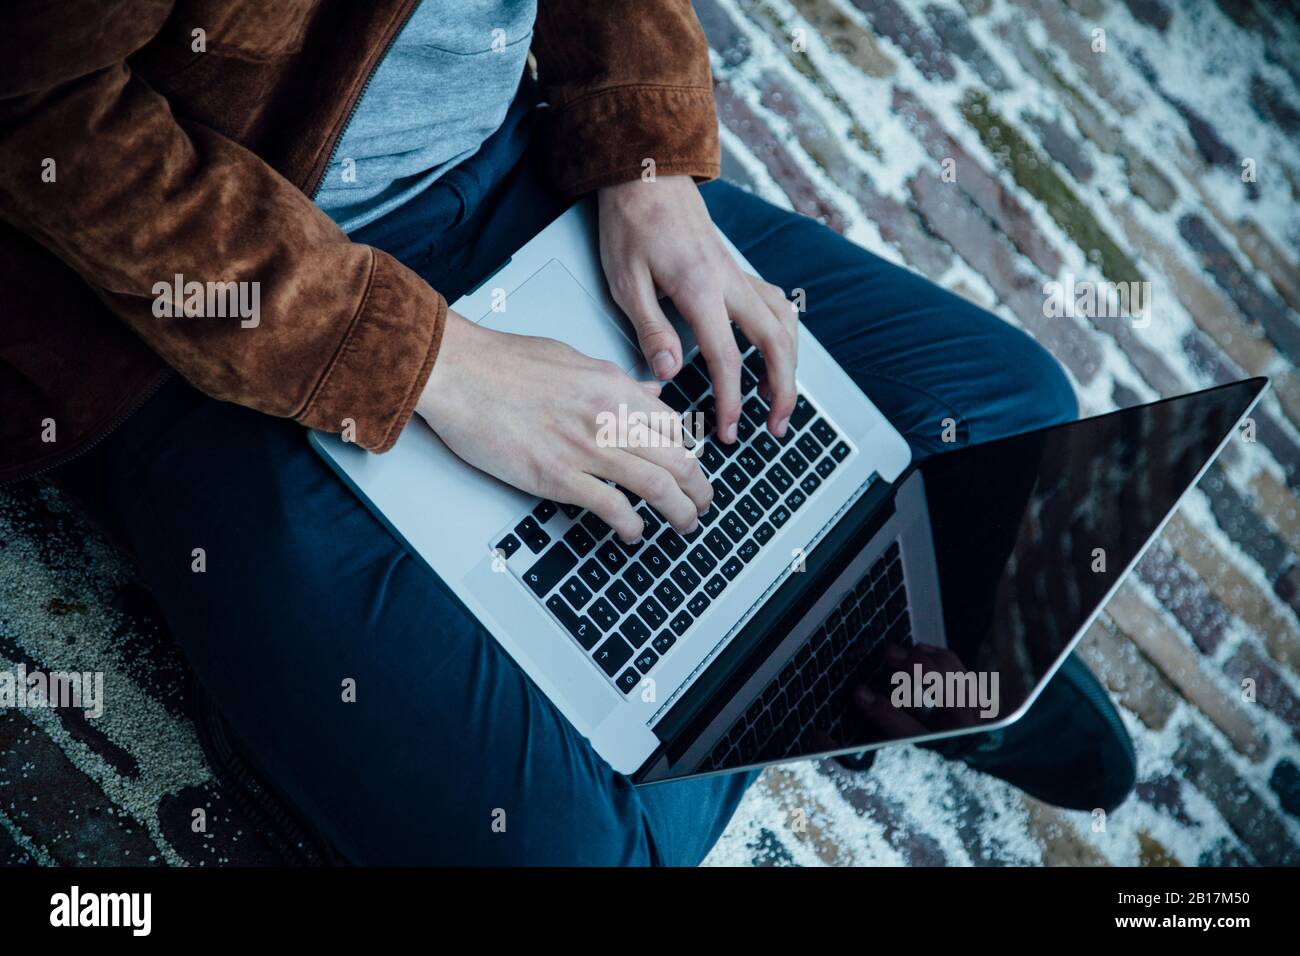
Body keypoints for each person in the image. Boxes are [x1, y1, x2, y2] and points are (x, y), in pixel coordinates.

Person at [0, 0, 1134, 865]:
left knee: (1010, 416)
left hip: (507, 179)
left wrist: (646, 154)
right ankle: (859, 654)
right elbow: (33, 109)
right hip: (194, 335)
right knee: (579, 851)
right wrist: (439, 363)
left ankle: (833, 659)